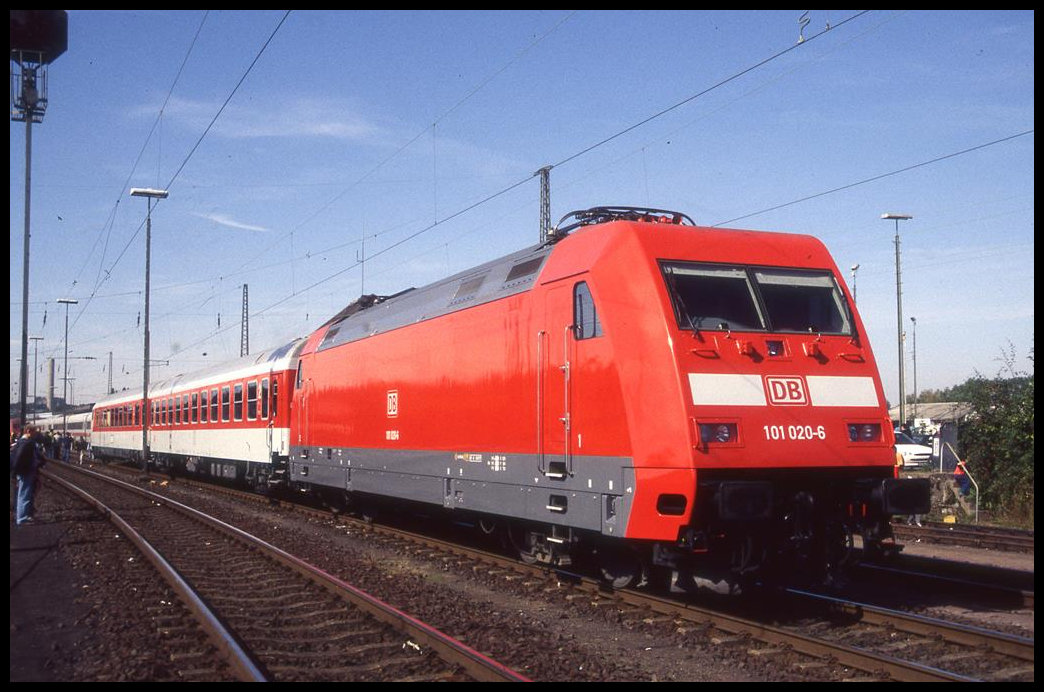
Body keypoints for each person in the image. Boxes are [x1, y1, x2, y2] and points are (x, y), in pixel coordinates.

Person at [10, 425, 49, 525]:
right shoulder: (26, 443)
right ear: (28, 431)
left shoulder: (23, 442)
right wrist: (15, 473)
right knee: (24, 494)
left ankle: (24, 516)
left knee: (25, 494)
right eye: (34, 432)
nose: (36, 434)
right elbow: (18, 458)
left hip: (25, 471)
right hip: (26, 472)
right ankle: (22, 518)